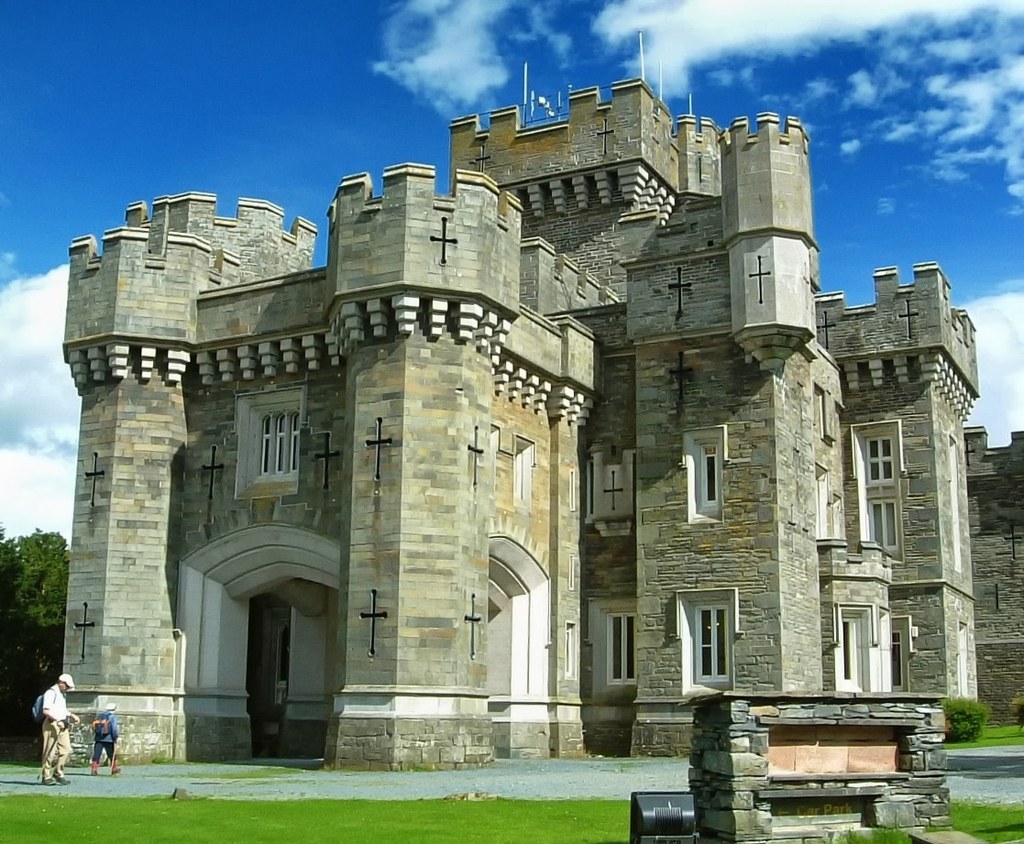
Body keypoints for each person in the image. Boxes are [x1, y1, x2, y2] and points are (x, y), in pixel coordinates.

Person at [40, 673, 80, 786]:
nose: (67, 688)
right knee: (50, 751)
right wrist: (58, 720)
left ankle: (58, 772)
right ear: (61, 683)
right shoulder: (50, 693)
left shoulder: (62, 694)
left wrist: (72, 715)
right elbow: (46, 711)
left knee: (66, 750)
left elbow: (61, 709)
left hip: (62, 724)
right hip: (52, 724)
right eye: (66, 686)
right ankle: (46, 775)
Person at [90, 703, 121, 775]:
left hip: (98, 738)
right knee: (111, 754)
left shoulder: (100, 715)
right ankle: (114, 768)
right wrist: (115, 737)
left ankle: (94, 769)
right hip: (109, 738)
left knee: (97, 754)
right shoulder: (112, 717)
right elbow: (114, 728)